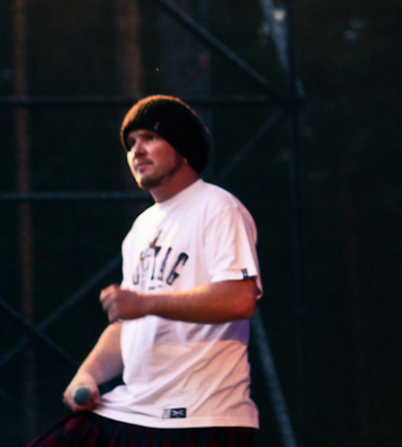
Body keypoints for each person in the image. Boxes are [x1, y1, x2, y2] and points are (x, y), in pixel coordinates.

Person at [27, 95, 261, 447]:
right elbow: (128, 326)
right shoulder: (142, 227)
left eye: (149, 137)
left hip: (198, 417)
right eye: (130, 143)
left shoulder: (218, 207)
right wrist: (87, 374)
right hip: (132, 409)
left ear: (183, 147)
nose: (136, 150)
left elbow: (239, 299)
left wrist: (146, 303)